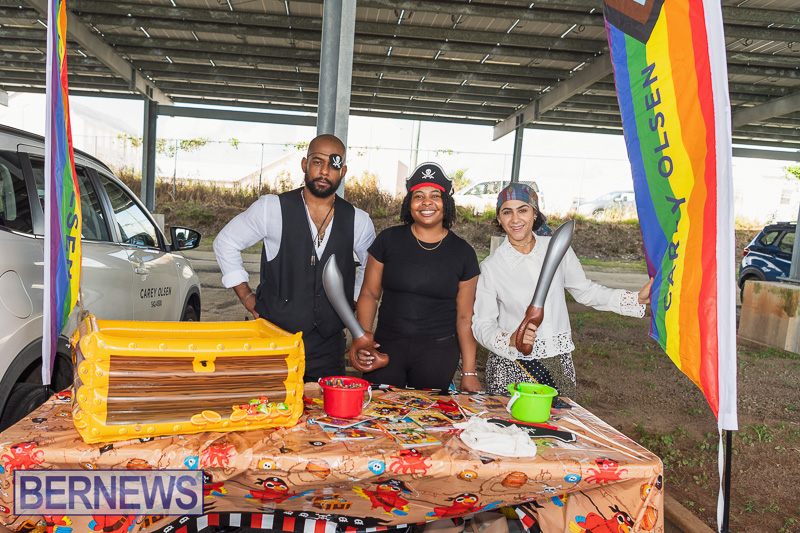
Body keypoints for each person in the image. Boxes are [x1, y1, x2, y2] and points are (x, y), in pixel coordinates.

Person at [213, 134, 375, 382]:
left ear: (342, 171)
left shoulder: (359, 220)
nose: (324, 171)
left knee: (326, 415)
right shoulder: (272, 208)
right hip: (275, 340)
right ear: (304, 165)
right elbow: (226, 243)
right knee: (270, 411)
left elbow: (371, 267)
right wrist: (246, 297)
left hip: (328, 346)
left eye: (333, 165)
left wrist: (351, 300)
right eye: (317, 162)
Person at [472, 182, 652, 398]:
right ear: (499, 219)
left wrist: (634, 299)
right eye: (507, 212)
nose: (515, 219)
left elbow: (586, 291)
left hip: (557, 363)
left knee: (558, 428)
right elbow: (482, 323)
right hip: (511, 365)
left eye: (523, 210)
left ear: (534, 213)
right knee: (511, 431)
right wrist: (509, 339)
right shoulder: (491, 267)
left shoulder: (557, 250)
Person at [352, 162, 482, 392]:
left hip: (438, 353)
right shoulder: (388, 240)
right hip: (386, 347)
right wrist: (362, 338)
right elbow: (370, 293)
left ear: (447, 203)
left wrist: (469, 373)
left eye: (435, 195)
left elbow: (465, 317)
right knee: (378, 415)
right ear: (409, 204)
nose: (426, 203)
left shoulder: (463, 253)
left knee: (430, 422)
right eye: (418, 196)